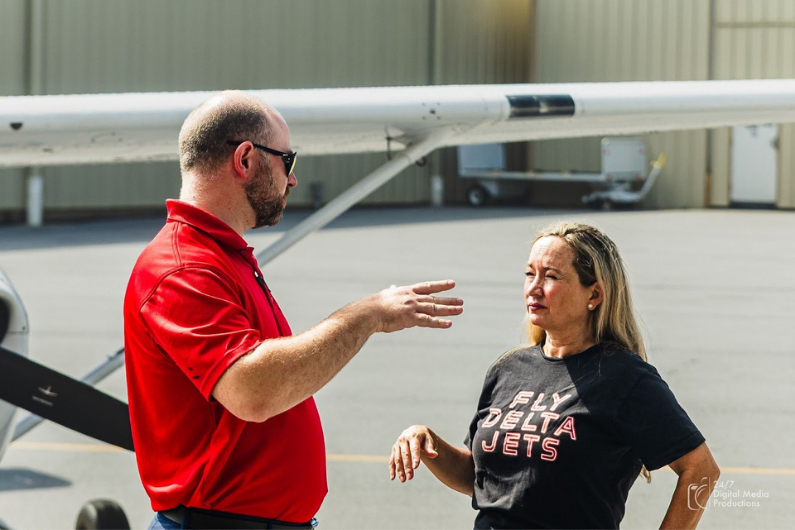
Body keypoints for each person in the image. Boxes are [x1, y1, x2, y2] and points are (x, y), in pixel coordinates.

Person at [123, 91, 464, 530]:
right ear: (245, 159)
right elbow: (254, 391)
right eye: (289, 160)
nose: (293, 179)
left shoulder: (217, 256)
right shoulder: (182, 267)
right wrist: (368, 315)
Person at [389, 222, 720, 529]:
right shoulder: (508, 368)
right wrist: (426, 438)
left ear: (594, 295)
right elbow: (480, 477)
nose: (534, 288)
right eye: (529, 274)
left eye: (550, 277)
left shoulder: (625, 377)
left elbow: (702, 471)